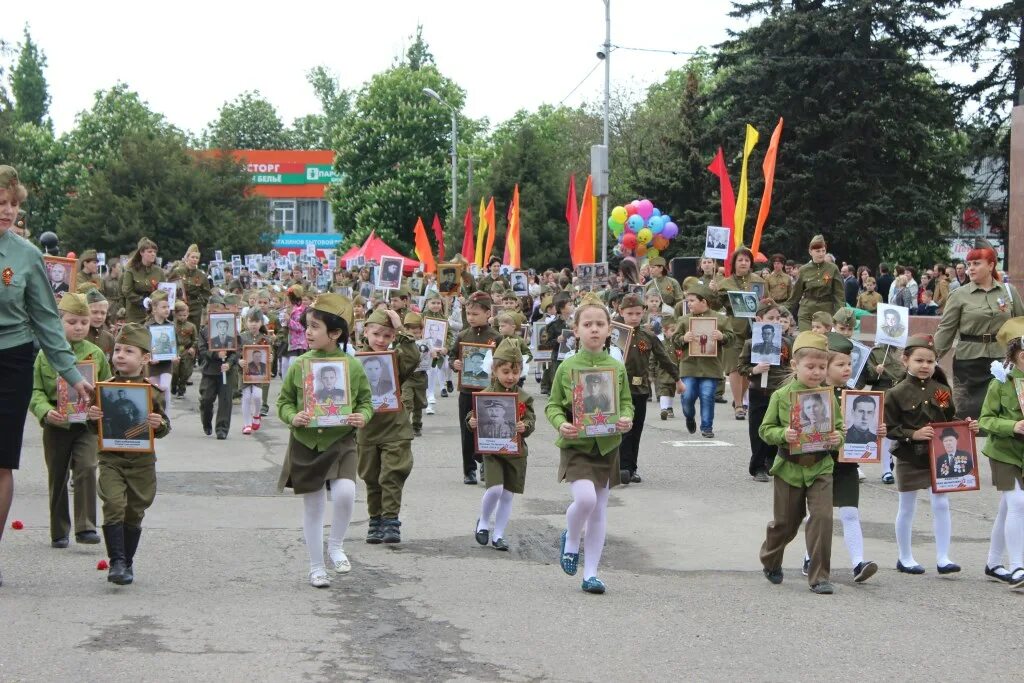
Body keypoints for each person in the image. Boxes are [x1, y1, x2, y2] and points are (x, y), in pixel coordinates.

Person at [0, 166, 96, 588]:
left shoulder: (26, 256)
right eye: (0, 203)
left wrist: (73, 376)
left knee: (1, 464)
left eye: (14, 204)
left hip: (11, 360)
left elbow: (46, 322)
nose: (7, 211)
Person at [277, 293, 371, 588]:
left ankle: (336, 545)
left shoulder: (352, 367)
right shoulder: (298, 365)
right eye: (307, 326)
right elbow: (284, 403)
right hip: (306, 444)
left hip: (341, 441)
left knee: (345, 493)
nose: (308, 332)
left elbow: (366, 402)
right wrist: (293, 417)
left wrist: (362, 416)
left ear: (335, 333)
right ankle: (316, 566)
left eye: (315, 327)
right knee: (314, 506)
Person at [547, 292, 634, 594]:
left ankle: (592, 573)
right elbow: (553, 406)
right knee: (585, 500)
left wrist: (626, 419)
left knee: (599, 510)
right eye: (588, 324)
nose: (594, 329)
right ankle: (571, 539)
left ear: (610, 329)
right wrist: (562, 423)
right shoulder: (567, 367)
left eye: (600, 324)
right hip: (578, 446)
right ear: (577, 330)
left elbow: (626, 404)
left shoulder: (616, 366)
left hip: (607, 445)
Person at [884, 335, 979, 575]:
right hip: (909, 456)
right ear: (905, 360)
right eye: (919, 360)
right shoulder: (896, 393)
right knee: (907, 506)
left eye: (930, 361)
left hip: (938, 458)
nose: (925, 365)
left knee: (941, 503)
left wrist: (966, 426)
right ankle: (904, 557)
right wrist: (913, 434)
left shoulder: (941, 391)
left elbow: (948, 421)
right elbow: (890, 428)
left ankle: (943, 557)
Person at [758, 331, 843, 594]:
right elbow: (765, 429)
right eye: (810, 367)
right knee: (785, 524)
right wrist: (783, 434)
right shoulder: (781, 396)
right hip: (790, 468)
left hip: (821, 466)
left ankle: (819, 577)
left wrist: (836, 436)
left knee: (822, 519)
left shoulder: (828, 397)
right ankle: (771, 559)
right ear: (795, 366)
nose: (817, 372)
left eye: (822, 367)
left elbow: (840, 429)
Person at [87, 323, 171, 585]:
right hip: (111, 459)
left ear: (145, 358)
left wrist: (159, 425)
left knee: (134, 512)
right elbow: (94, 426)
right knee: (114, 504)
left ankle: (128, 562)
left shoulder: (153, 393)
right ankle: (117, 562)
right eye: (118, 350)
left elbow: (164, 426)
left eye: (129, 351)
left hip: (142, 462)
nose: (120, 355)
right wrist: (93, 417)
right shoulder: (104, 389)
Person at [29, 293, 114, 549]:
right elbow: (35, 391)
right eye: (72, 322)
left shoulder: (96, 354)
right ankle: (59, 530)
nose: (79, 327)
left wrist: (99, 410)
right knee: (57, 476)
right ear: (59, 322)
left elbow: (106, 388)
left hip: (86, 426)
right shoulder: (46, 354)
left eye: (84, 322)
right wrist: (44, 411)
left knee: (87, 467)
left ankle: (86, 526)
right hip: (56, 425)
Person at [934, 238, 1024, 421]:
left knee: (1003, 410)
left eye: (976, 263)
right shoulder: (959, 295)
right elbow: (946, 330)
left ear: (991, 265)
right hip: (969, 362)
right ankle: (969, 448)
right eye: (968, 264)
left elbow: (1020, 325)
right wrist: (931, 357)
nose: (970, 269)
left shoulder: (1008, 292)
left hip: (1002, 361)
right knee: (969, 414)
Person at [357, 308, 419, 544]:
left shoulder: (394, 361)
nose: (381, 341)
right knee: (371, 478)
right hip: (368, 429)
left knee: (392, 474)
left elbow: (412, 357)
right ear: (366, 332)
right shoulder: (354, 362)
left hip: (395, 428)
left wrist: (401, 328)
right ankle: (375, 519)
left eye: (387, 336)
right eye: (377, 334)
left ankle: (391, 519)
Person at [469, 338, 536, 551]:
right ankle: (483, 522)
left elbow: (531, 421)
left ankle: (498, 534)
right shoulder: (485, 394)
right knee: (495, 489)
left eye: (515, 372)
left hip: (515, 452)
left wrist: (524, 426)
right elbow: (473, 415)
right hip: (493, 451)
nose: (511, 377)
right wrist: (471, 422)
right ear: (494, 370)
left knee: (507, 494)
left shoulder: (524, 397)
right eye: (506, 371)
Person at [978, 317, 1024, 588]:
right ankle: (1018, 567)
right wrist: (1012, 425)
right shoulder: (1001, 382)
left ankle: (994, 562)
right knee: (1018, 503)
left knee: (1009, 507)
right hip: (1003, 452)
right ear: (1014, 355)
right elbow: (985, 420)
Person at [617, 293, 681, 482]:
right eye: (630, 313)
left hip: (639, 389)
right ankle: (615, 466)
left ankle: (630, 467)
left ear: (644, 312)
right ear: (621, 312)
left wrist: (678, 379)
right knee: (617, 429)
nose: (634, 317)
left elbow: (664, 359)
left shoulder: (649, 336)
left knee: (634, 430)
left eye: (638, 313)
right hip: (616, 388)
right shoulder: (612, 333)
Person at [450, 292, 503, 484]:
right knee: (467, 430)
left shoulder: (496, 337)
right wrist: (454, 363)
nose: (470, 317)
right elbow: (452, 356)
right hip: (467, 391)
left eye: (475, 314)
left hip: (488, 391)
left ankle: (485, 465)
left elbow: (504, 362)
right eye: (468, 313)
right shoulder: (463, 335)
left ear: (488, 313)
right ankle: (469, 469)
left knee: (487, 428)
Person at [739, 301, 794, 481]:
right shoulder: (751, 343)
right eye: (771, 318)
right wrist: (754, 370)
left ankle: (772, 460)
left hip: (779, 392)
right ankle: (757, 467)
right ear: (759, 320)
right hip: (759, 391)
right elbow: (741, 367)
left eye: (778, 318)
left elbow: (792, 365)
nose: (776, 322)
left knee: (777, 427)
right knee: (758, 429)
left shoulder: (786, 343)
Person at [673, 284, 731, 439]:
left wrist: (722, 337)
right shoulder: (684, 320)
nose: (689, 304)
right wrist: (683, 339)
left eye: (692, 300)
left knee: (707, 396)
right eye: (688, 301)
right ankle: (689, 416)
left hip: (710, 367)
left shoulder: (721, 319)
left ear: (703, 301)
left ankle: (707, 427)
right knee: (688, 396)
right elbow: (673, 340)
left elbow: (731, 339)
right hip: (689, 365)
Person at [716, 248, 766, 420]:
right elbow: (715, 304)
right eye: (740, 260)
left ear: (751, 263)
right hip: (733, 329)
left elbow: (765, 303)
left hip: (753, 330)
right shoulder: (725, 283)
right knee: (734, 367)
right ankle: (738, 404)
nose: (743, 263)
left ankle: (739, 398)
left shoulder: (758, 282)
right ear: (734, 263)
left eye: (746, 260)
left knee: (746, 369)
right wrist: (713, 290)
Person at [197, 297, 239, 440]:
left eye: (216, 311)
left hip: (226, 371)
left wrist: (230, 363)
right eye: (211, 311)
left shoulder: (232, 329)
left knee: (226, 400)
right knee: (206, 399)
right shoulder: (204, 331)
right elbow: (202, 350)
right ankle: (206, 421)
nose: (213, 314)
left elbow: (237, 351)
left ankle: (222, 428)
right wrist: (215, 354)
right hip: (210, 370)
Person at [786, 234, 844, 332]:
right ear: (810, 252)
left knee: (823, 342)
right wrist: (783, 311)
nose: (821, 254)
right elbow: (795, 296)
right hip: (806, 312)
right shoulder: (803, 270)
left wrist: (841, 315)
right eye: (817, 251)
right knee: (807, 340)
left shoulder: (833, 268)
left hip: (825, 312)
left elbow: (839, 295)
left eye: (823, 250)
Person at [240, 309, 273, 435]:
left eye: (256, 321)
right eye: (250, 321)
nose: (253, 324)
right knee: (247, 397)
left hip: (260, 374)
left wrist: (271, 358)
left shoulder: (265, 338)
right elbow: (237, 352)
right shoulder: (242, 337)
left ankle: (257, 414)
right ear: (246, 322)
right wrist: (239, 361)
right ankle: (246, 424)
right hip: (244, 372)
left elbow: (270, 354)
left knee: (258, 396)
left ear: (261, 323)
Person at [120, 237, 163, 324]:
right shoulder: (131, 271)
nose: (153, 254)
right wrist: (142, 300)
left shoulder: (159, 271)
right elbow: (127, 291)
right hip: (135, 313)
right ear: (141, 253)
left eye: (154, 252)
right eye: (150, 252)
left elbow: (163, 291)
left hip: (153, 313)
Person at [168, 244, 211, 331]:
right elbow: (169, 288)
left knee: (194, 331)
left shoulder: (201, 275)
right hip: (180, 306)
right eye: (192, 257)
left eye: (197, 258)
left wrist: (201, 303)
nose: (195, 260)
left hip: (195, 307)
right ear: (187, 257)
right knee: (179, 331)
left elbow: (206, 292)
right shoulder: (178, 271)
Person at [401, 311, 429, 437]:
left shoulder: (426, 343)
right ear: (406, 330)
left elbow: (432, 359)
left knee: (419, 403)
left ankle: (417, 425)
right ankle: (404, 426)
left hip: (421, 377)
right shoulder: (402, 343)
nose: (417, 336)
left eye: (418, 333)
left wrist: (435, 354)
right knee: (407, 402)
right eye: (413, 333)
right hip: (407, 377)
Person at [171, 301, 198, 398]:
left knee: (186, 372)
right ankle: (173, 385)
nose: (182, 317)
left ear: (188, 314)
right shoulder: (171, 326)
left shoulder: (191, 326)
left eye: (184, 315)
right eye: (180, 315)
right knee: (174, 372)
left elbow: (196, 339)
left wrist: (193, 347)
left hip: (187, 351)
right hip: (175, 351)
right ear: (175, 315)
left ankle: (181, 390)